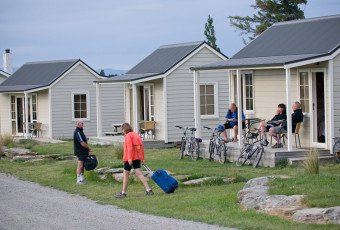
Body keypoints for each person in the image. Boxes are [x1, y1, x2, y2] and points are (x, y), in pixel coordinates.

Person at [115, 123, 154, 198]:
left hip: (129, 158)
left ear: (125, 129)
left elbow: (129, 147)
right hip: (137, 157)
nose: (122, 131)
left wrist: (129, 159)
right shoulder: (136, 135)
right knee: (139, 173)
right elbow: (141, 148)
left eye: (122, 130)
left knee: (126, 175)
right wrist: (142, 159)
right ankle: (148, 189)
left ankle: (123, 193)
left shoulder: (128, 136)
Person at [74, 119, 91, 184]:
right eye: (81, 123)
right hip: (80, 151)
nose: (83, 124)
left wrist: (86, 150)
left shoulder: (81, 131)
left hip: (84, 151)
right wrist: (88, 148)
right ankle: (78, 180)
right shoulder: (77, 132)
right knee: (80, 165)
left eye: (83, 123)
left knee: (83, 165)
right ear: (77, 124)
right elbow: (82, 142)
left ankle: (82, 178)